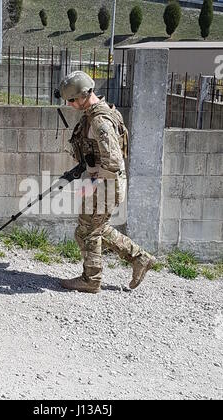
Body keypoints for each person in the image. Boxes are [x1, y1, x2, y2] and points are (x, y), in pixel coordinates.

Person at [58, 71, 156, 294]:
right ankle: (140, 258)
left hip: (105, 185)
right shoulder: (98, 112)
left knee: (88, 232)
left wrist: (91, 185)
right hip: (102, 182)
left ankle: (91, 280)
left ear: (85, 95)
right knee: (91, 228)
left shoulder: (100, 121)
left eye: (72, 100)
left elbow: (113, 161)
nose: (70, 104)